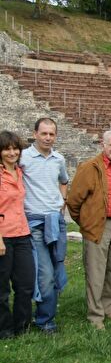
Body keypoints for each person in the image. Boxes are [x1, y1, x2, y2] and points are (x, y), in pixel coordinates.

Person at [67, 129, 111, 330]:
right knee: (96, 272)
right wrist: (87, 223)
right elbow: (73, 201)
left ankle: (108, 308)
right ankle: (95, 316)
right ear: (103, 145)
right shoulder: (90, 167)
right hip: (98, 225)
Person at [20, 118, 69, 333]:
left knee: (57, 267)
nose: (48, 137)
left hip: (56, 221)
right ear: (35, 133)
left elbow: (64, 181)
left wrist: (62, 204)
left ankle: (47, 310)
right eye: (44, 133)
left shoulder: (59, 159)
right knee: (45, 274)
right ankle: (45, 321)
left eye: (52, 134)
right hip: (35, 222)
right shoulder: (23, 158)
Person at [0, 131, 35, 339]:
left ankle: (22, 326)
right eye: (7, 149)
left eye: (15, 148)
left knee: (25, 284)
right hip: (3, 237)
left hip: (22, 234)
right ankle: (4, 330)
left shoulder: (20, 172)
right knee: (2, 289)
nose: (12, 152)